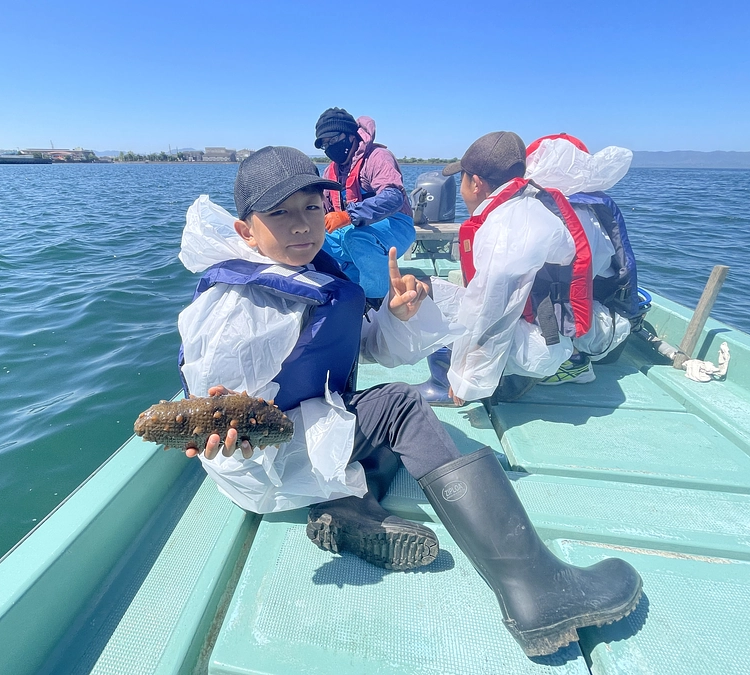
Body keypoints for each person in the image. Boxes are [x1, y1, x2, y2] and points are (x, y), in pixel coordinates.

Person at [175, 145, 642, 657]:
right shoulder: (241, 306)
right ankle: (536, 588)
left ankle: (351, 506)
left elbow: (362, 347)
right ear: (246, 231)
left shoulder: (308, 272)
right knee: (399, 406)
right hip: (265, 463)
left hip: (302, 440)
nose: (303, 225)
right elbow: (214, 404)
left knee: (384, 424)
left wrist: (397, 315)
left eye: (311, 207)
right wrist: (225, 432)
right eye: (280, 214)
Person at [419, 131, 597, 406]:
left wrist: (467, 378)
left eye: (463, 179)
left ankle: (447, 385)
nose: (462, 189)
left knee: (439, 313)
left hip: (539, 345)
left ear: (476, 183)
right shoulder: (524, 203)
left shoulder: (509, 227)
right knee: (425, 289)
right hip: (545, 331)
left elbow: (490, 309)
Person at [524, 133, 639, 383]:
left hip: (562, 325)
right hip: (599, 320)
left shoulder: (532, 208)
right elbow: (607, 266)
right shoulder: (595, 208)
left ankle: (572, 362)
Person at [313, 108, 416, 304]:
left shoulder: (378, 156)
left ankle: (377, 300)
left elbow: (393, 197)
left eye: (332, 140)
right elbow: (325, 209)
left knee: (356, 238)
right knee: (315, 240)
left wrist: (348, 215)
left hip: (395, 224)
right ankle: (346, 290)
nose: (329, 147)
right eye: (324, 144)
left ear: (350, 135)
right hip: (351, 226)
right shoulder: (330, 170)